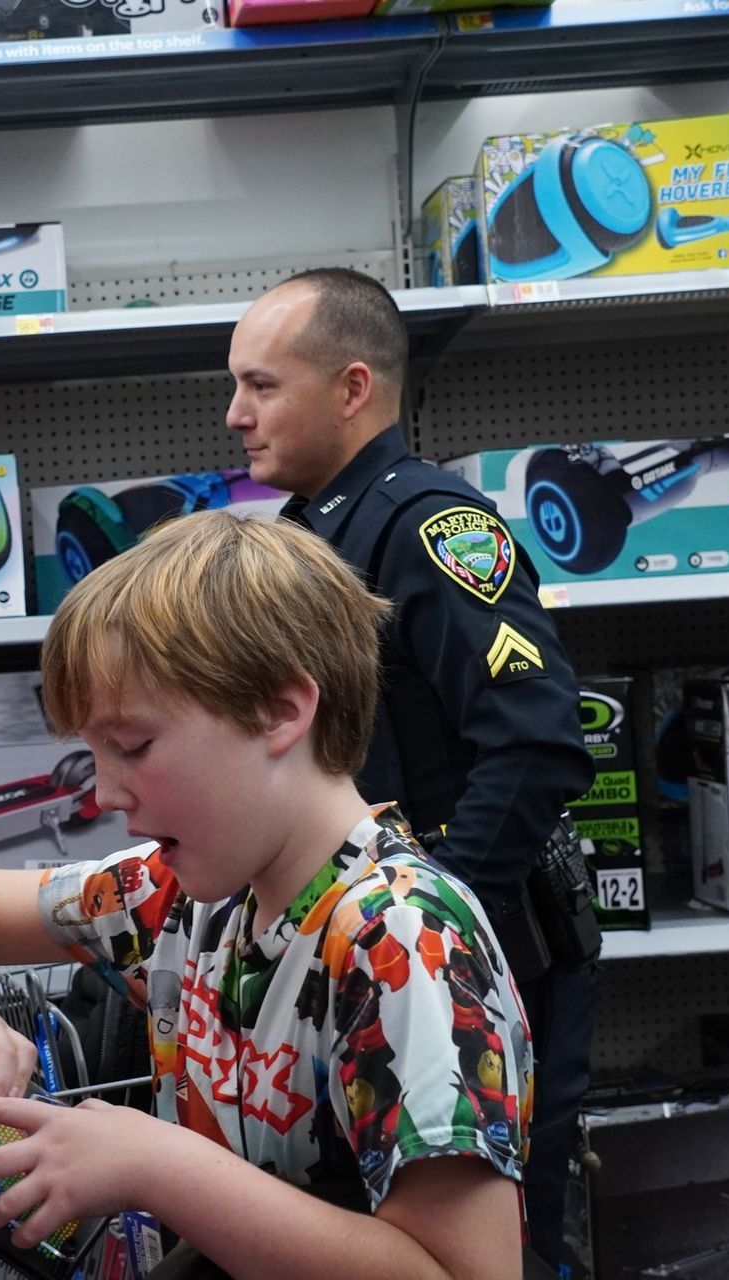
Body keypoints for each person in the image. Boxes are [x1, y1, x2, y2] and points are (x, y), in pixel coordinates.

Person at [0, 512, 534, 1280]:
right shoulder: (185, 897)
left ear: (280, 711)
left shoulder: (401, 941)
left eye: (132, 747)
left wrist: (159, 1167)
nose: (102, 792)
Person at [224, 267, 598, 1267]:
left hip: (468, 957)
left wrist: (433, 935)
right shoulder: (308, 538)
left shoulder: (430, 529)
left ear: (352, 387)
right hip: (360, 963)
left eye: (261, 385)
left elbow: (538, 738)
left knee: (484, 1243)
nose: (235, 414)